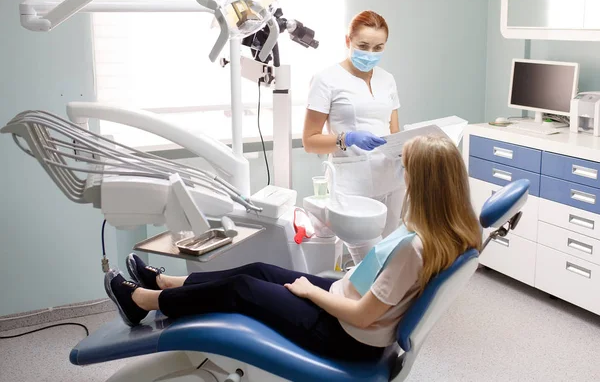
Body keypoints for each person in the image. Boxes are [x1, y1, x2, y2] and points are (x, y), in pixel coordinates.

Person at [104, 135, 481, 361]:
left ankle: (141, 302)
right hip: (344, 305)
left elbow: (364, 317)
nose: (404, 174)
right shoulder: (446, 232)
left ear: (427, 183)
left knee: (241, 291)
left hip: (344, 336)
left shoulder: (414, 249)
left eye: (407, 168)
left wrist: (311, 292)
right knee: (257, 270)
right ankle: (167, 283)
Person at [303, 10, 404, 240]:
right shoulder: (326, 79)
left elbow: (394, 132)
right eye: (363, 45)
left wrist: (406, 154)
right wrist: (346, 139)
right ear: (348, 41)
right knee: (360, 252)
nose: (370, 53)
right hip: (352, 181)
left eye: (378, 48)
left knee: (388, 250)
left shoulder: (387, 79)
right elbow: (310, 141)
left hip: (391, 179)